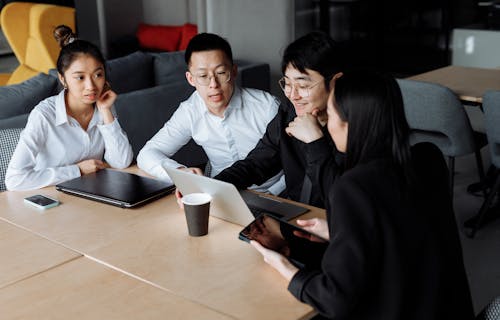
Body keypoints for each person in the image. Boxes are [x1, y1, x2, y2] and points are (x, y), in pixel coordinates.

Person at [251, 70, 475, 320]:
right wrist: (338, 231)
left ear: (351, 124)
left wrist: (283, 266)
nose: (327, 124)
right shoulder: (428, 158)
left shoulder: (354, 186)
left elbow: (334, 298)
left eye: (331, 116)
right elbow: (405, 234)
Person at [137, 33, 284, 195]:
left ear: (233, 71)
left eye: (221, 73)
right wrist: (181, 173)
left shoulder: (267, 106)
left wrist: (272, 195)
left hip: (272, 193)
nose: (213, 84)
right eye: (203, 76)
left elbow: (294, 163)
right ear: (191, 79)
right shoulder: (190, 111)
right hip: (219, 194)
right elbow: (147, 154)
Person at [214, 31, 344, 208]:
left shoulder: (352, 125)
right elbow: (256, 164)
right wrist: (213, 187)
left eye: (303, 85)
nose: (292, 95)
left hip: (331, 225)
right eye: (288, 84)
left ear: (335, 82)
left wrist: (315, 142)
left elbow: (341, 199)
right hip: (293, 216)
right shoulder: (288, 112)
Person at [5, 25, 133, 191]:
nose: (91, 86)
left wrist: (106, 112)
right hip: (49, 200)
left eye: (98, 75)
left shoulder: (103, 105)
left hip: (91, 195)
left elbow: (121, 162)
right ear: (63, 78)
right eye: (80, 77)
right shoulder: (44, 115)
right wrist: (77, 170)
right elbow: (14, 179)